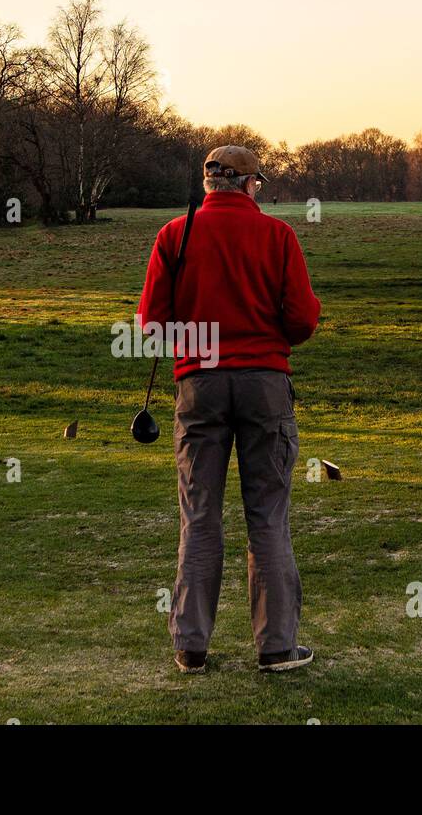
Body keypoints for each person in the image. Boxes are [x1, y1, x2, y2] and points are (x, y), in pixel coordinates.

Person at [138, 146, 321, 673]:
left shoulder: (176, 234)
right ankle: (277, 647)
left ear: (208, 183)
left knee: (199, 516)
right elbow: (303, 319)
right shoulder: (277, 235)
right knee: (268, 517)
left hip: (199, 385)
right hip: (265, 383)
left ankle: (190, 646)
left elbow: (153, 322)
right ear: (247, 184)